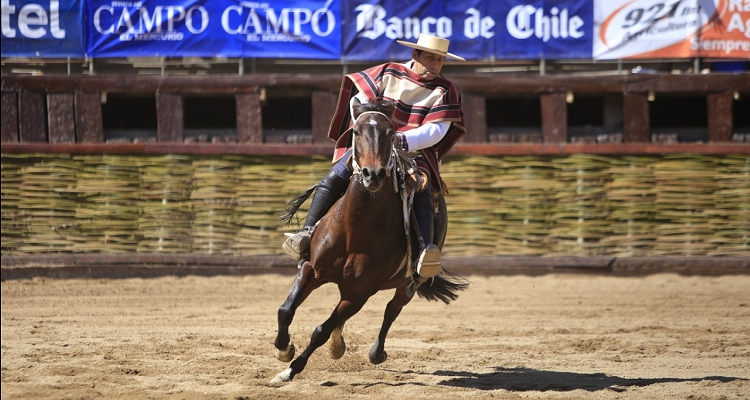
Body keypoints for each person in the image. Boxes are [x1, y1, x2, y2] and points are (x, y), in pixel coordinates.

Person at [283, 33, 466, 286]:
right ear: (415, 55)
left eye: (440, 60)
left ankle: (425, 253)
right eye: (430, 58)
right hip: (374, 144)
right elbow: (359, 101)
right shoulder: (388, 72)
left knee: (422, 185)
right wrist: (373, 132)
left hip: (414, 152)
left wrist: (400, 141)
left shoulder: (446, 90)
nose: (435, 65)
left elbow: (436, 131)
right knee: (338, 173)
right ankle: (307, 233)